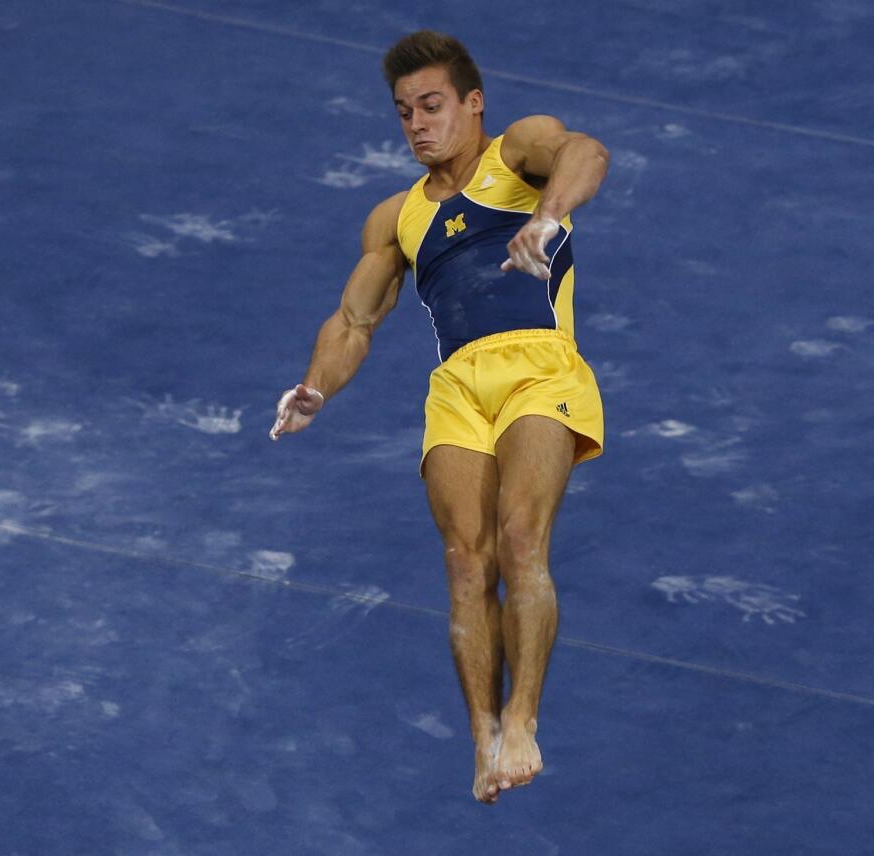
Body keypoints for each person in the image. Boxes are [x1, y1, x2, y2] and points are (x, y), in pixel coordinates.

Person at [269, 30, 610, 804]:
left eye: (432, 106)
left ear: (472, 103)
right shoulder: (396, 216)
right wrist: (317, 386)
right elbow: (355, 321)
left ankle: (523, 721)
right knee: (466, 562)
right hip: (457, 385)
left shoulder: (516, 153)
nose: (418, 125)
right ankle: (484, 737)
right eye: (404, 113)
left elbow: (585, 150)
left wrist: (548, 216)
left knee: (522, 539)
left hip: (537, 367)